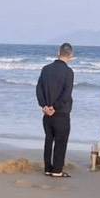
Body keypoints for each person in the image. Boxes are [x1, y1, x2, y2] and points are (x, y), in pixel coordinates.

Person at [36, 43, 75, 178]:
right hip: (61, 112)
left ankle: (48, 168)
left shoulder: (46, 69)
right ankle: (57, 170)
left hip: (47, 111)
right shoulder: (68, 72)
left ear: (58, 53)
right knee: (61, 141)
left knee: (49, 140)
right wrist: (55, 107)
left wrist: (44, 106)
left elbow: (39, 89)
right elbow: (66, 94)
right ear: (71, 55)